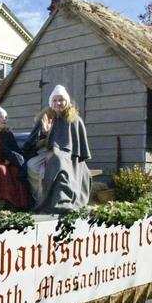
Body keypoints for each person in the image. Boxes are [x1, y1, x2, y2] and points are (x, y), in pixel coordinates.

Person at [23, 85, 91, 214]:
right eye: (54, 100)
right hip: (46, 153)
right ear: (51, 102)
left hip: (69, 156)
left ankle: (62, 201)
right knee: (31, 165)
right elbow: (33, 144)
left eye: (61, 100)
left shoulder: (74, 120)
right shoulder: (45, 117)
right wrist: (44, 133)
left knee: (59, 163)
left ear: (66, 101)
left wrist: (56, 152)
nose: (58, 103)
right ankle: (40, 199)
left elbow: (74, 146)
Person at [0, 106, 30, 210]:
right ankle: (7, 200)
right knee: (1, 170)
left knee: (16, 170)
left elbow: (16, 151)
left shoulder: (7, 133)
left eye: (6, 117)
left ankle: (20, 203)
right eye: (1, 117)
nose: (4, 119)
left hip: (8, 161)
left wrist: (10, 157)